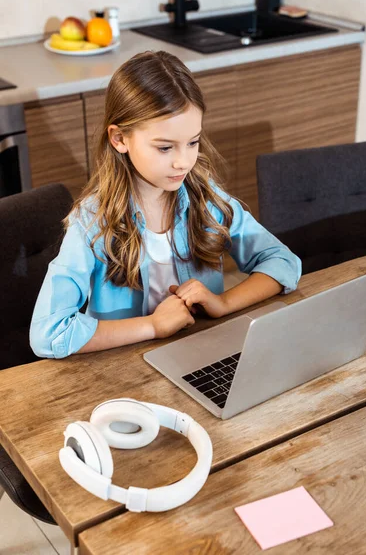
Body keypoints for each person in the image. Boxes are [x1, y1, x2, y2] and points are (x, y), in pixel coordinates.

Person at [30, 50, 301, 359]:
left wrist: (222, 302)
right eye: (164, 147)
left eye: (193, 142)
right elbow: (49, 333)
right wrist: (153, 326)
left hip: (202, 356)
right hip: (125, 375)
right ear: (120, 139)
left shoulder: (207, 198)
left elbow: (284, 263)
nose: (183, 162)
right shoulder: (92, 223)